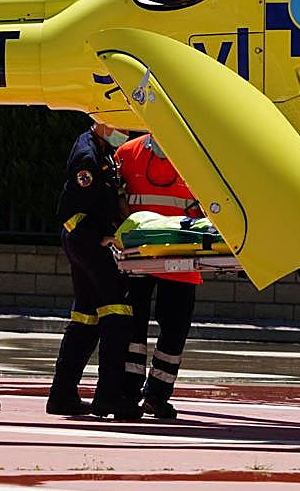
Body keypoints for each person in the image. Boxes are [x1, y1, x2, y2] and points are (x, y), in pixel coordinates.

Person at [47, 120, 140, 420]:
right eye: (118, 124)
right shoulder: (88, 156)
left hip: (85, 242)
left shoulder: (101, 152)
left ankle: (62, 395)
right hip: (88, 242)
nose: (124, 131)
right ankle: (109, 397)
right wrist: (100, 236)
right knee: (118, 313)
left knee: (85, 317)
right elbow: (72, 210)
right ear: (99, 121)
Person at [115, 133, 202, 419]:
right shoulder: (198, 154)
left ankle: (143, 393)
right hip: (168, 254)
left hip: (157, 255)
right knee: (153, 326)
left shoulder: (129, 152)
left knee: (156, 325)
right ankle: (146, 393)